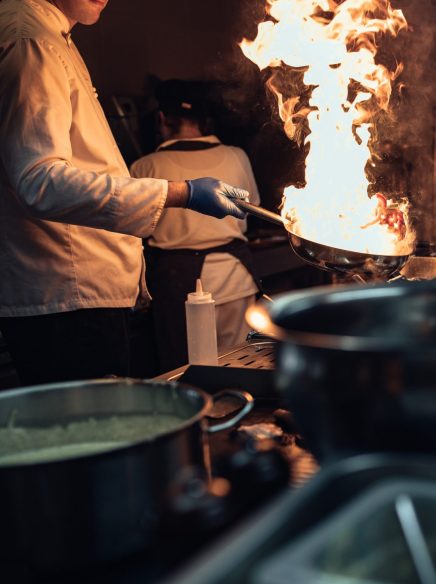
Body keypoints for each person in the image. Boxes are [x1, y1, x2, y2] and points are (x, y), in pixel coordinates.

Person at [0, 0, 249, 385]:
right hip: (67, 299)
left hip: (79, 297)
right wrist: (182, 193)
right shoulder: (30, 40)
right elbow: (39, 181)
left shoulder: (52, 35)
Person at [130, 79, 261, 371]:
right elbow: (250, 209)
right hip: (234, 278)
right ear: (205, 120)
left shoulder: (145, 166)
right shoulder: (236, 155)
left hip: (178, 285)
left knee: (187, 371)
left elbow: (133, 230)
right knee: (241, 366)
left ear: (161, 119)